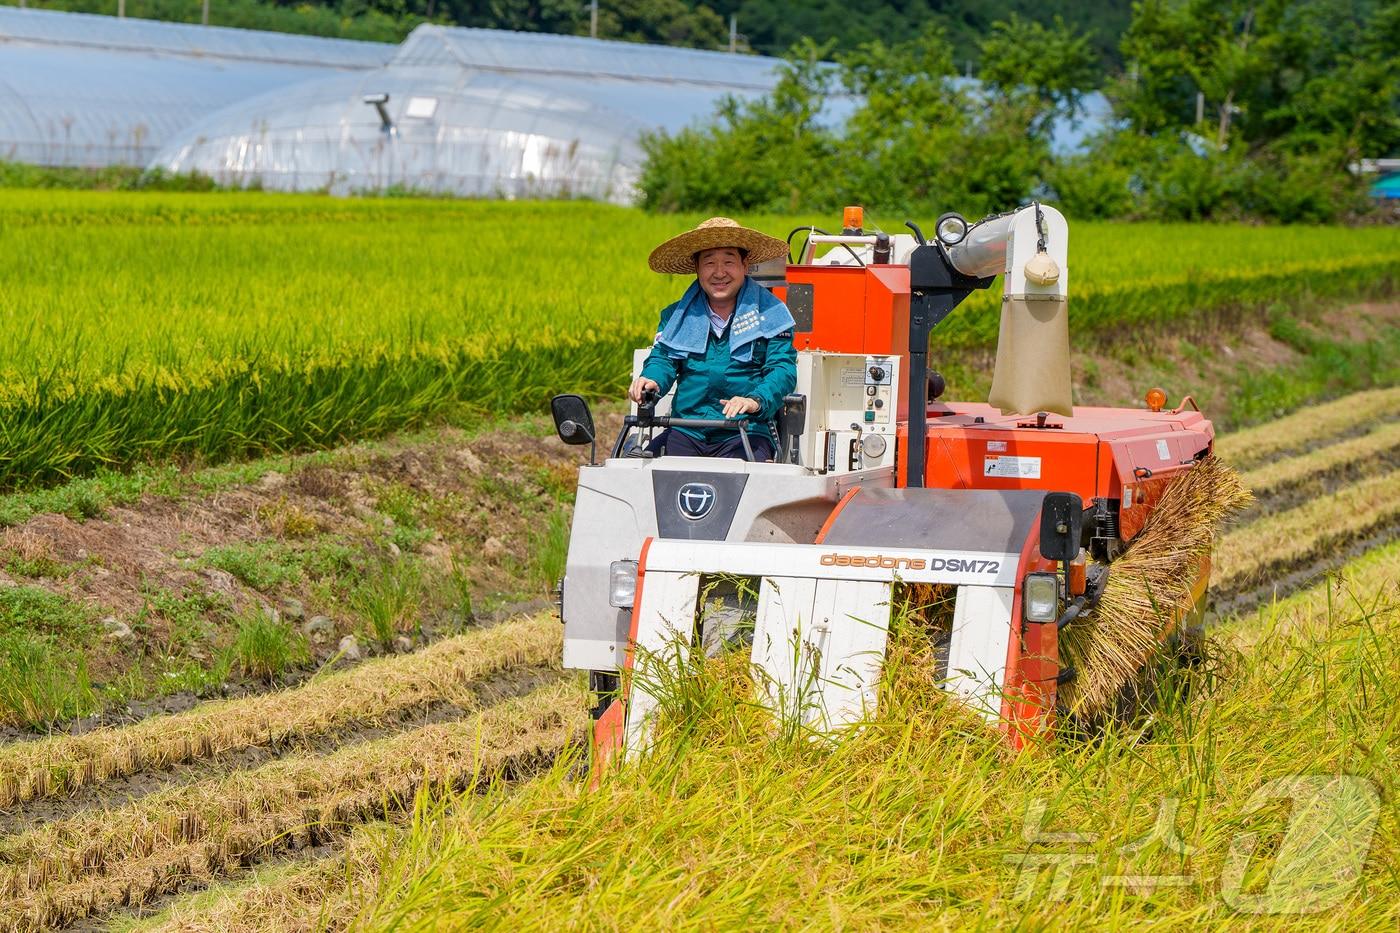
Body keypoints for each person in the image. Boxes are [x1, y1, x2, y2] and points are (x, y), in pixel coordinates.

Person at [628, 217, 797, 462]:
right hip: (686, 430)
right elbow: (663, 358)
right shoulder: (676, 316)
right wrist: (652, 379)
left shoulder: (772, 315)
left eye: (728, 261)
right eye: (709, 263)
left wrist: (754, 400)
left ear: (745, 264)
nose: (719, 273)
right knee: (638, 470)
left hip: (746, 431)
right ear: (696, 267)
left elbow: (783, 370)